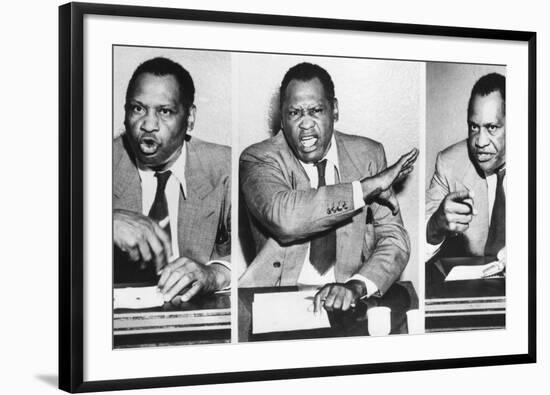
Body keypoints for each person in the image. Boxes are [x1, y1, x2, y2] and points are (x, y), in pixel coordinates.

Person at [239, 62, 418, 313]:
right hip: (277, 299)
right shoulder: (258, 158)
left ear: (334, 110)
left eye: (315, 110)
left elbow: (394, 239)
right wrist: (365, 189)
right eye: (294, 113)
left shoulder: (368, 154)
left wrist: (357, 286)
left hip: (348, 298)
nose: (306, 124)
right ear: (281, 118)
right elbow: (286, 219)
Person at [113, 57, 231, 303]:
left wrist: (215, 273)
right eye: (138, 108)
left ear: (189, 119)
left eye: (164, 111)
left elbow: (258, 253)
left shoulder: (225, 167)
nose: (148, 124)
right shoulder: (90, 162)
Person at [426, 72, 505, 262]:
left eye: (492, 127)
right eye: (474, 127)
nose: (480, 142)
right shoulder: (449, 163)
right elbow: (414, 245)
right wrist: (435, 226)